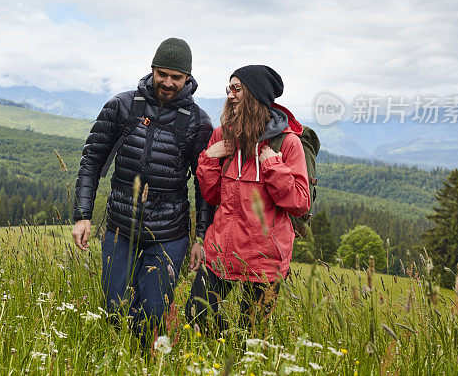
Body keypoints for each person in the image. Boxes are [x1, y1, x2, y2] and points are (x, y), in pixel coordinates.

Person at [72, 37, 213, 344]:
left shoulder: (198, 122)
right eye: (162, 73)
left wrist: (201, 236)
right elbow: (92, 161)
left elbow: (205, 185)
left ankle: (141, 362)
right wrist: (83, 215)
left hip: (169, 235)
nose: (168, 82)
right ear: (152, 69)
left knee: (152, 315)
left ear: (188, 78)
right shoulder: (122, 105)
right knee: (113, 309)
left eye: (176, 77)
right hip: (120, 227)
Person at [185, 65, 310, 333]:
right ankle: (221, 350)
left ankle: (235, 357)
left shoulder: (287, 143)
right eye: (228, 88)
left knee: (250, 334)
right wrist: (208, 160)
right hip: (222, 250)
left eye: (237, 88)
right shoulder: (222, 135)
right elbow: (212, 195)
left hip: (265, 259)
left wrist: (275, 168)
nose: (230, 95)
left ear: (256, 95)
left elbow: (300, 203)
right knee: (196, 312)